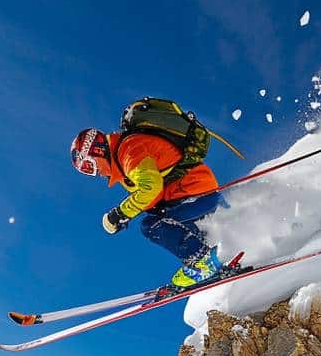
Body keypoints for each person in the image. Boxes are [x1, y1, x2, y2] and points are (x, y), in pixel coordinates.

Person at [70, 124, 230, 290]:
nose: (97, 173)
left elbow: (151, 188)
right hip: (192, 196)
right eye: (87, 171)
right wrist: (125, 216)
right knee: (155, 218)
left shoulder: (129, 152)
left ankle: (203, 262)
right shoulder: (124, 159)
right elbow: (154, 197)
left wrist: (120, 213)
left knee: (153, 226)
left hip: (197, 194)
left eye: (90, 166)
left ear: (98, 150)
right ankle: (218, 254)